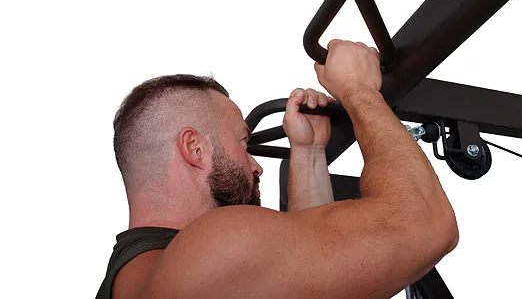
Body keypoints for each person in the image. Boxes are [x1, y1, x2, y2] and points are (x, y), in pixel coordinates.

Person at [97, 40, 459, 299]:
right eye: (242, 142)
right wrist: (358, 88)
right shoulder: (208, 251)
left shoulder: (139, 273)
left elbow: (307, 273)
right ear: (195, 148)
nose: (256, 166)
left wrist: (309, 153)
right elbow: (426, 224)